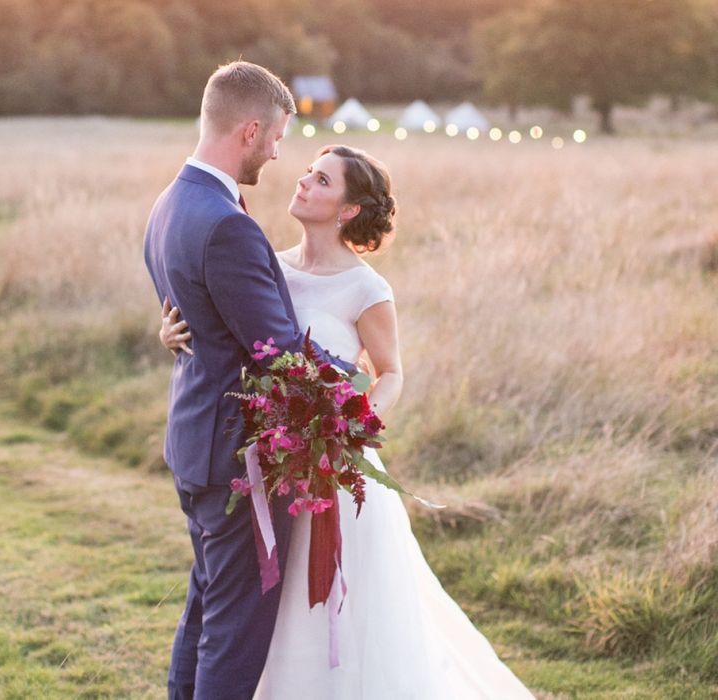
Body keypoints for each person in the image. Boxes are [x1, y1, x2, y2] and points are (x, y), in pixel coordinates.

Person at [161, 144, 535, 699]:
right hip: (266, 466)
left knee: (346, 610)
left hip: (332, 470)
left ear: (348, 210)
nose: (304, 182)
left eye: (322, 180)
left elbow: (390, 374)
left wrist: (349, 429)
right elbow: (227, 332)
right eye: (308, 172)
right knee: (260, 606)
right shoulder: (267, 263)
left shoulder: (366, 289)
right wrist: (169, 336)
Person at [143, 62, 355, 700]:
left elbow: (200, 315)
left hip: (192, 441)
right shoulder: (227, 223)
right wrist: (353, 384)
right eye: (278, 138)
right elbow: (277, 351)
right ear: (251, 129)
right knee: (236, 634)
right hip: (238, 457)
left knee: (207, 611)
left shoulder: (173, 201)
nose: (277, 152)